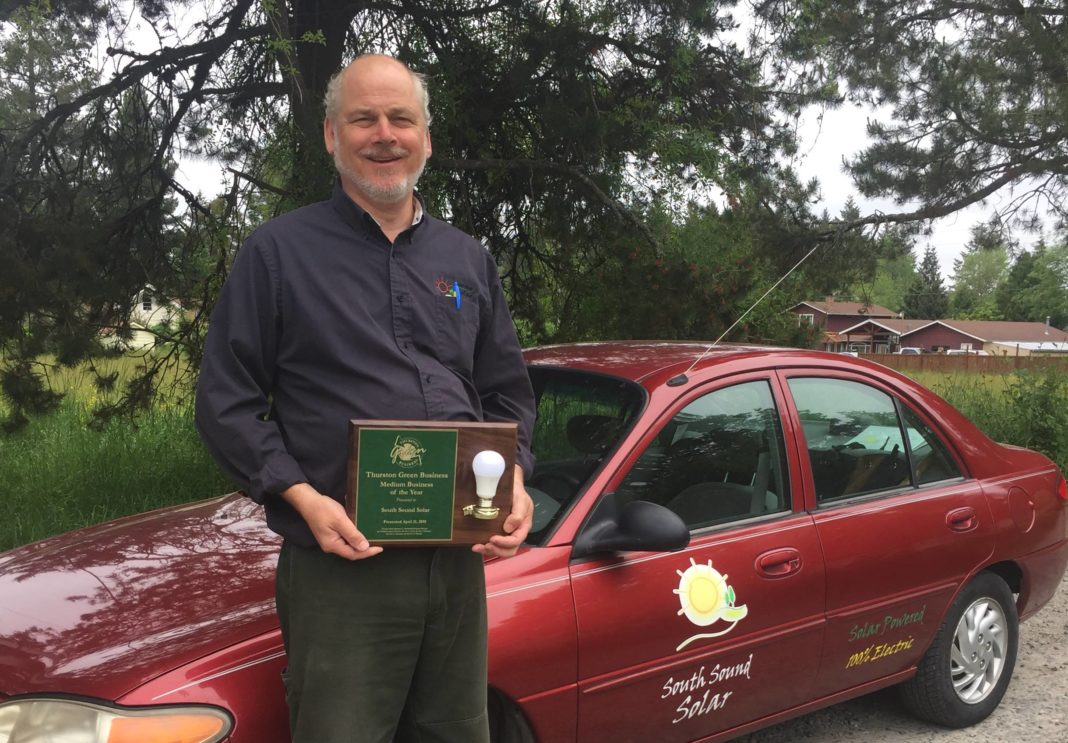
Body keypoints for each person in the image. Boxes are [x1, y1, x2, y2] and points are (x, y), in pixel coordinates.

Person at [194, 54, 536, 743]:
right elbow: (225, 402)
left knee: (456, 733)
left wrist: (518, 478)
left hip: (459, 561)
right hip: (342, 566)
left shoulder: (467, 260)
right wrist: (300, 496)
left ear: (426, 137)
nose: (384, 133)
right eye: (364, 118)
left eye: (400, 118)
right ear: (331, 134)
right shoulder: (277, 254)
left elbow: (506, 389)